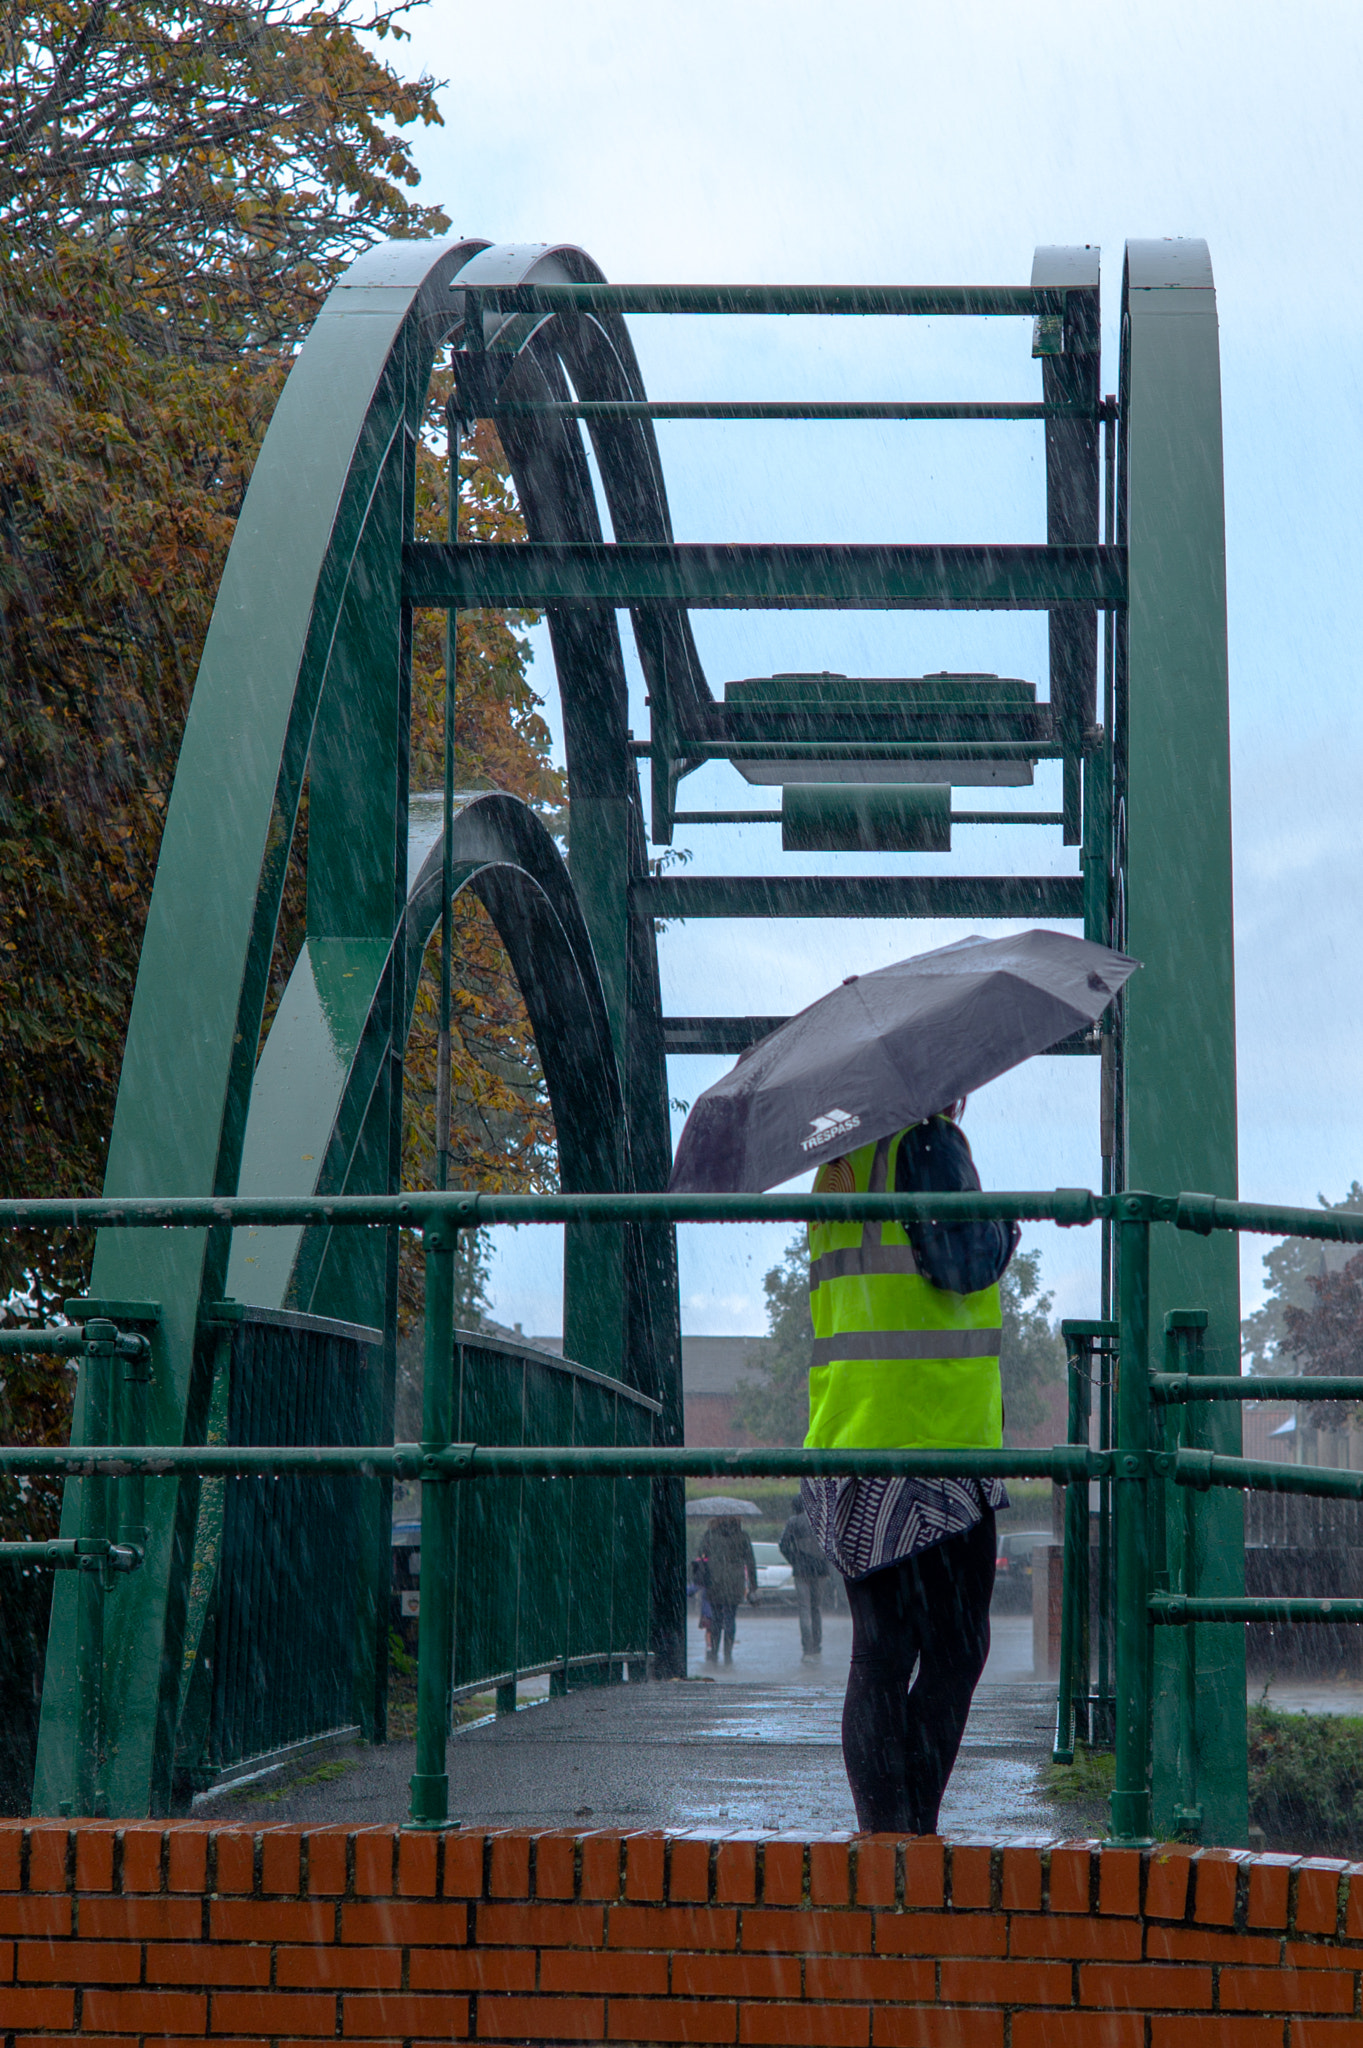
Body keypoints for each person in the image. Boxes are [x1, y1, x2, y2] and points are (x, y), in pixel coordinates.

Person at [802, 1102, 1018, 1834]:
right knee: (958, 1649)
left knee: (881, 1650)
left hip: (849, 1432)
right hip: (935, 1438)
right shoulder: (928, 1145)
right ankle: (911, 1837)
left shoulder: (835, 1169)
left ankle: (881, 1842)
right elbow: (963, 1263)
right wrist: (1006, 1225)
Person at [692, 1515, 757, 1664]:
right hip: (735, 1581)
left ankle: (714, 1652)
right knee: (730, 1618)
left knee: (716, 1618)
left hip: (714, 1579)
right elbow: (750, 1561)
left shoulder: (710, 1535)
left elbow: (700, 1554)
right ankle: (728, 1654)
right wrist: (753, 1585)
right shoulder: (742, 1536)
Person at [779, 1493, 829, 1661]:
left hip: (801, 1570)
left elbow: (783, 1545)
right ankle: (817, 1646)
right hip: (820, 1570)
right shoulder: (821, 1520)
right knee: (816, 1608)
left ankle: (807, 1649)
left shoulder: (793, 1522)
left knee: (804, 1609)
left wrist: (795, 1560)